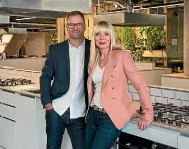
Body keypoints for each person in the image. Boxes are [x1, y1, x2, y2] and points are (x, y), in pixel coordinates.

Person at [85, 21, 154, 149]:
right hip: (92, 114)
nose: (101, 38)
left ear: (112, 36)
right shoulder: (94, 58)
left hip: (110, 116)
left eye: (106, 34)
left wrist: (147, 114)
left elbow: (140, 85)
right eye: (97, 34)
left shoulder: (122, 56)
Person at [40, 11, 90, 149]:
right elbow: (45, 76)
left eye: (79, 24)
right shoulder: (56, 50)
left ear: (85, 26)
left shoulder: (93, 48)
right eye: (71, 24)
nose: (75, 27)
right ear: (67, 27)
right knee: (52, 146)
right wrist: (47, 104)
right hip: (57, 109)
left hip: (80, 111)